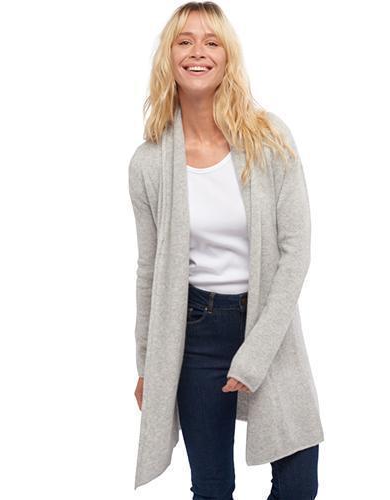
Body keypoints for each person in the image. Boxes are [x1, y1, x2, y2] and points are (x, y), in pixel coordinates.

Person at [128, 2, 324, 498]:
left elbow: (295, 252)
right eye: (185, 41)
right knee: (212, 488)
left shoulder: (268, 138)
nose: (198, 52)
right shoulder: (148, 163)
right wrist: (148, 364)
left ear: (227, 56)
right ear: (169, 56)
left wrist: (255, 353)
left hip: (268, 326)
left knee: (299, 482)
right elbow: (149, 271)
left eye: (211, 41)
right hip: (193, 331)